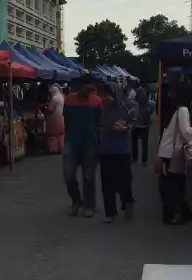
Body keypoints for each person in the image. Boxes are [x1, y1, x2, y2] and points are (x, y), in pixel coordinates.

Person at [157, 84, 192, 225]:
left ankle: (184, 213)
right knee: (172, 185)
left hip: (172, 151)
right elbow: (185, 131)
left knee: (177, 184)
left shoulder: (181, 109)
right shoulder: (184, 110)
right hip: (172, 153)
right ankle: (171, 216)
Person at [62, 75, 102, 218]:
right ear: (80, 87)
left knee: (89, 176)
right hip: (72, 142)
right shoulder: (69, 100)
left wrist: (99, 143)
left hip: (90, 143)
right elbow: (65, 119)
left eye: (92, 89)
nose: (90, 92)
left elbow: (99, 123)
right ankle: (76, 200)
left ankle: (89, 205)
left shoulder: (96, 102)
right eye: (88, 89)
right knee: (68, 174)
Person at [99, 83, 134, 223]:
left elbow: (132, 122)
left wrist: (125, 128)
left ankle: (127, 200)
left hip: (122, 150)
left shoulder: (126, 107)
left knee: (124, 181)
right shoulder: (100, 109)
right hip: (106, 149)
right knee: (107, 183)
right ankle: (110, 213)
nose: (103, 98)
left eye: (106, 95)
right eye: (102, 95)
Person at [132, 84, 150, 166]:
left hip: (136, 125)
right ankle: (144, 161)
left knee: (134, 142)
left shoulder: (134, 103)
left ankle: (135, 158)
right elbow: (152, 109)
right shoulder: (148, 103)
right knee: (144, 143)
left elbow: (132, 114)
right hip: (145, 125)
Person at [45, 84, 65, 154]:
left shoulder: (54, 99)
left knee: (52, 135)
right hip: (61, 118)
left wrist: (45, 109)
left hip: (54, 118)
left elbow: (50, 110)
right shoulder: (61, 97)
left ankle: (53, 149)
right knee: (60, 134)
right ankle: (60, 148)